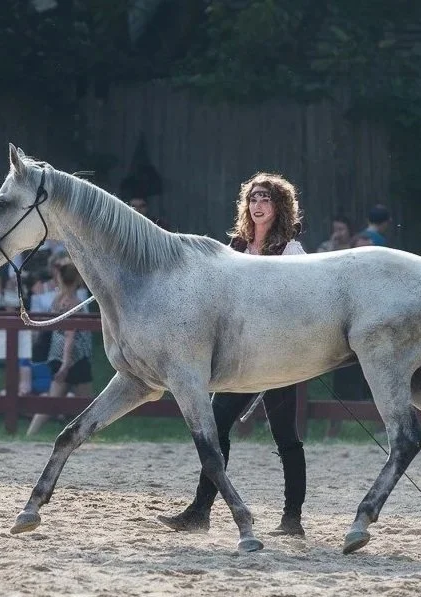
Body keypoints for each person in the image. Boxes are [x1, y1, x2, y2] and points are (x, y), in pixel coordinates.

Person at [158, 172, 307, 537]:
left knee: (286, 436)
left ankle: (292, 519)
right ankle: (200, 511)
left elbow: (301, 303)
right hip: (239, 360)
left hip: (279, 357)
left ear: (279, 206)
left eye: (266, 199)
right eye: (254, 198)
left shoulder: (291, 251)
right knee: (215, 425)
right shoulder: (233, 250)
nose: (258, 205)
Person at [26, 262, 94, 435]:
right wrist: (66, 363)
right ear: (78, 279)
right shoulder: (74, 303)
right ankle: (90, 436)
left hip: (56, 355)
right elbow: (70, 336)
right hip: (75, 358)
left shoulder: (57, 300)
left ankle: (31, 433)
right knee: (86, 405)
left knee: (52, 401)